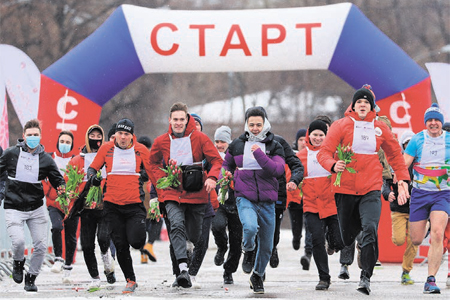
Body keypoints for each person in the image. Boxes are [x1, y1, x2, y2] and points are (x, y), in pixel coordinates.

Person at [317, 85, 410, 295]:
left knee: (370, 228)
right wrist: (333, 165)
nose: (362, 105)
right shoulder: (341, 125)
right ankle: (347, 243)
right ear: (353, 105)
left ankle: (365, 277)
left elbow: (395, 154)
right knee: (347, 238)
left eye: (366, 102)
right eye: (359, 101)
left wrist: (403, 179)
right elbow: (324, 152)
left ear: (372, 107)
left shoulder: (380, 127)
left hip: (371, 188)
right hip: (345, 190)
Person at [149, 103, 222, 288]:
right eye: (175, 119)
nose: (179, 123)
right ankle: (182, 269)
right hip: (172, 193)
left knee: (194, 235)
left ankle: (188, 246)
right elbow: (152, 163)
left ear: (187, 119)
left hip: (196, 194)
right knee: (176, 226)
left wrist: (212, 178)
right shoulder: (161, 141)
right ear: (169, 120)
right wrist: (162, 179)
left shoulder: (200, 138)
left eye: (182, 119)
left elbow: (216, 160)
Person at [222, 107, 285, 294]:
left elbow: (277, 170)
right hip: (245, 197)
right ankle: (248, 248)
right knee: (249, 228)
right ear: (246, 124)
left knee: (266, 246)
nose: (255, 128)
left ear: (265, 123)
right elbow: (227, 163)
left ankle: (257, 275)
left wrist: (259, 154)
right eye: (252, 124)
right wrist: (224, 174)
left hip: (267, 201)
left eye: (259, 124)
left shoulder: (275, 145)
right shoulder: (237, 144)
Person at [0, 119, 66, 292]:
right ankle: (18, 262)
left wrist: (62, 188)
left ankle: (31, 277)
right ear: (23, 136)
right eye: (30, 135)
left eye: (36, 135)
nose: (33, 138)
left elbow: (57, 178)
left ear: (40, 136)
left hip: (36, 208)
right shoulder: (10, 154)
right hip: (13, 206)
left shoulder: (46, 159)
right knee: (19, 242)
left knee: (41, 245)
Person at [87, 118, 152, 294]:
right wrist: (93, 178)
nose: (122, 137)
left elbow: (154, 173)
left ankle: (138, 240)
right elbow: (92, 168)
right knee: (121, 245)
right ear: (115, 134)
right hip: (112, 206)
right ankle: (130, 280)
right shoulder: (106, 149)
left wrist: (156, 198)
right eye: (120, 134)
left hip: (134, 206)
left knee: (137, 242)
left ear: (132, 136)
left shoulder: (141, 150)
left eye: (126, 134)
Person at [403, 103, 450, 294]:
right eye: (429, 120)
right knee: (416, 239)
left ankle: (431, 280)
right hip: (420, 194)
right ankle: (429, 223)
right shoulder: (417, 139)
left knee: (438, 234)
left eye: (436, 120)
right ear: (425, 123)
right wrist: (400, 183)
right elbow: (403, 164)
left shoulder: (449, 139)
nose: (433, 123)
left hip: (443, 194)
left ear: (441, 123)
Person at [68, 125, 116, 290]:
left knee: (103, 238)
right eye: (92, 135)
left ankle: (107, 260)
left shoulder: (109, 157)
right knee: (87, 245)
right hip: (86, 209)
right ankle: (95, 277)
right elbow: (70, 184)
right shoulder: (77, 160)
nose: (95, 139)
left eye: (98, 136)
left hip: (104, 206)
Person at [299, 120, 344, 290]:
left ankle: (332, 242)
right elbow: (293, 176)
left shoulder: (335, 154)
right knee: (317, 240)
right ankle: (324, 278)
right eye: (315, 135)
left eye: (321, 135)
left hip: (332, 204)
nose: (317, 138)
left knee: (339, 242)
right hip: (311, 205)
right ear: (308, 135)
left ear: (327, 136)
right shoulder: (301, 156)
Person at [42, 131, 79, 283]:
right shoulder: (50, 159)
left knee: (71, 236)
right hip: (54, 202)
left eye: (67, 142)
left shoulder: (76, 160)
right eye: (62, 141)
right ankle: (58, 257)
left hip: (72, 204)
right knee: (56, 226)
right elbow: (43, 180)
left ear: (72, 144)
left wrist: (72, 194)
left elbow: (80, 181)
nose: (64, 144)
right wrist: (51, 189)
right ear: (57, 142)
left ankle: (68, 267)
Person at [381, 129, 417, 285]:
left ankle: (406, 271)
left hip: (417, 210)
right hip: (399, 210)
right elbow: (385, 182)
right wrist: (386, 194)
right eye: (406, 144)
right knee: (398, 240)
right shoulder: (395, 163)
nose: (409, 147)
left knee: (414, 241)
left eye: (411, 144)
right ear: (402, 146)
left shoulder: (420, 163)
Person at [211, 125, 243, 285]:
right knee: (217, 226)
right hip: (219, 202)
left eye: (222, 141)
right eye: (217, 141)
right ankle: (222, 246)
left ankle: (228, 271)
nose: (219, 144)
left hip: (236, 202)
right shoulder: (212, 157)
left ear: (229, 142)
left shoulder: (236, 156)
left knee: (237, 242)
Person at [287, 128, 313, 270]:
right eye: (300, 140)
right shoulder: (291, 155)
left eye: (305, 139)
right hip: (294, 197)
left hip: (309, 197)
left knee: (310, 224)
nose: (303, 142)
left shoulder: (312, 155)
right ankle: (296, 237)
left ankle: (307, 253)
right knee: (296, 225)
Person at [137, 135, 160, 264]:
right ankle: (149, 245)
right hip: (150, 192)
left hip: (139, 193)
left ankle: (143, 253)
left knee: (142, 224)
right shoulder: (151, 157)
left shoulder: (135, 156)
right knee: (156, 220)